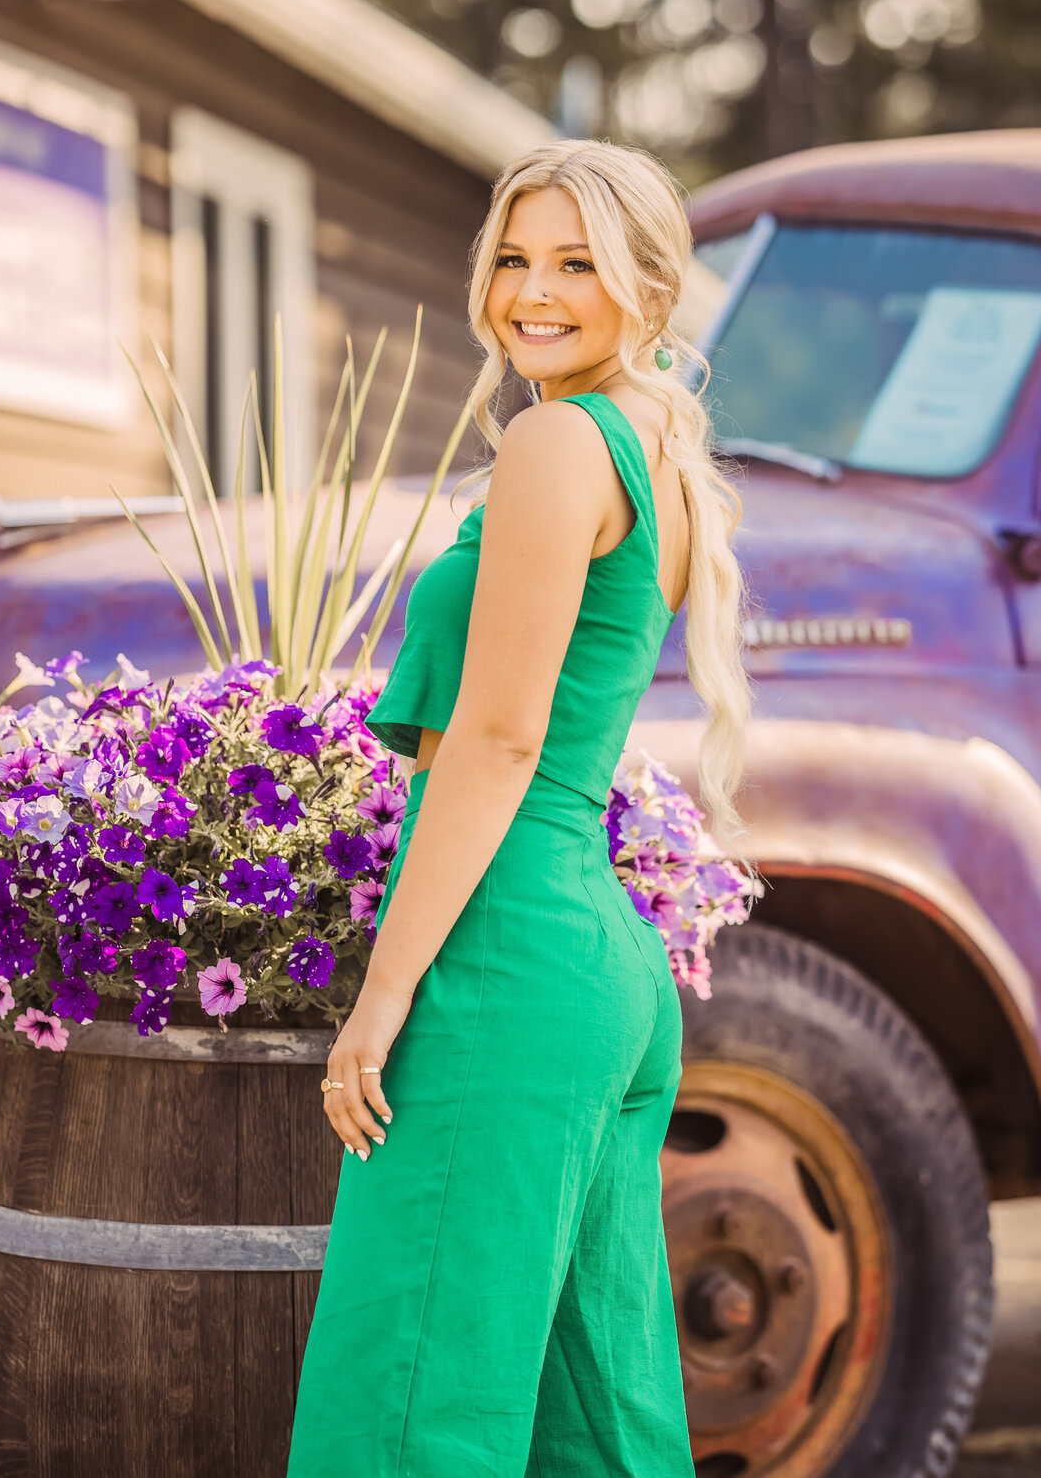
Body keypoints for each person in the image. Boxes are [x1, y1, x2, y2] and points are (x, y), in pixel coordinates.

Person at [287, 139, 749, 1478]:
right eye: (513, 257)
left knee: (409, 1417)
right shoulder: (652, 440)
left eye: (576, 265)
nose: (532, 292)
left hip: (505, 961)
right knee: (587, 1425)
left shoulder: (557, 440)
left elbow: (493, 743)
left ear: (647, 291)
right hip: (598, 970)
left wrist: (381, 1000)